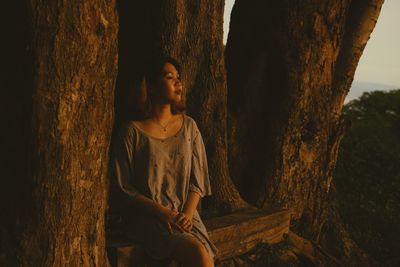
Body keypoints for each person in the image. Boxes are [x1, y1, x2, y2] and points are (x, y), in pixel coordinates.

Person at [109, 56, 218, 267]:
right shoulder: (131, 132)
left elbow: (198, 182)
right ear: (150, 86)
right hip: (148, 218)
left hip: (185, 216)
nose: (179, 82)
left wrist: (185, 216)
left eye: (179, 77)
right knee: (199, 255)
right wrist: (165, 214)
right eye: (170, 77)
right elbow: (123, 188)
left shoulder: (189, 128)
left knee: (202, 255)